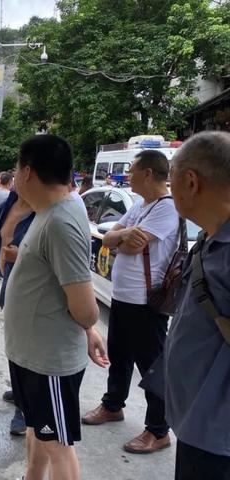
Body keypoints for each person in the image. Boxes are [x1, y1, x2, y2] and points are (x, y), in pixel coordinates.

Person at [4, 134, 107, 480]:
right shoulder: (49, 211)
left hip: (49, 362)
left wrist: (90, 326)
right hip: (32, 356)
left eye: (17, 168)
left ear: (29, 171)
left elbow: (86, 306)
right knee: (38, 430)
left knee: (58, 446)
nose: (15, 176)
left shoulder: (61, 221)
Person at [82, 150, 179, 454]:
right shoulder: (140, 205)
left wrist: (121, 239)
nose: (128, 176)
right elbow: (109, 239)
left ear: (148, 174)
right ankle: (113, 404)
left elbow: (133, 248)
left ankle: (158, 430)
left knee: (152, 366)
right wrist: (123, 235)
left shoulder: (167, 208)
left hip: (145, 300)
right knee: (120, 355)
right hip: (122, 296)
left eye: (132, 170)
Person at [164, 131, 230, 479]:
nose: (168, 184)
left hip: (216, 435)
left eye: (171, 174)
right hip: (196, 423)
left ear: (190, 182)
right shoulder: (209, 237)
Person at [0, 191, 35, 436]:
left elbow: (52, 256)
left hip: (31, 287)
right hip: (9, 280)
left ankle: (25, 410)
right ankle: (20, 391)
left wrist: (20, 256)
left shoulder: (45, 212)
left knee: (28, 349)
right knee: (14, 344)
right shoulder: (9, 203)